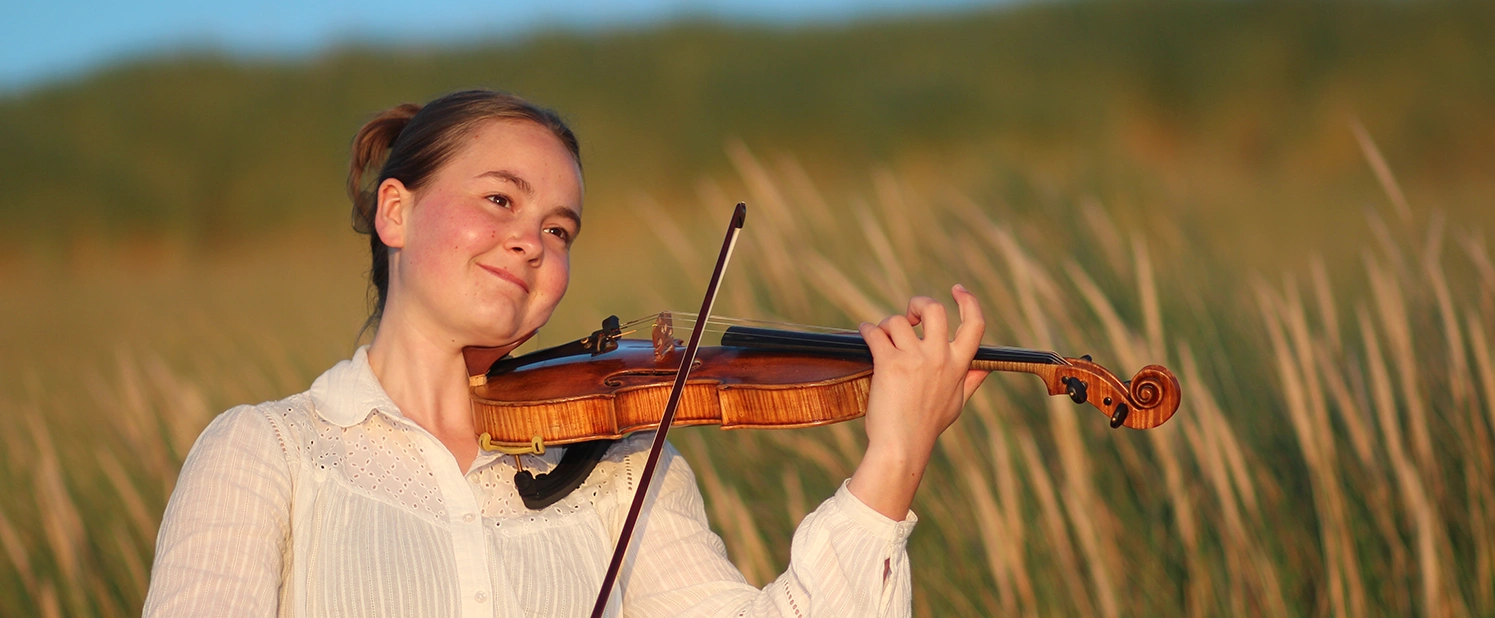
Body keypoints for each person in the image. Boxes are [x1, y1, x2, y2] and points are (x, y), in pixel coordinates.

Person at [143, 89, 989, 617]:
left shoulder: (625, 472)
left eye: (558, 229)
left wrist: (897, 455)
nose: (530, 241)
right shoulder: (268, 453)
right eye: (499, 200)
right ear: (394, 214)